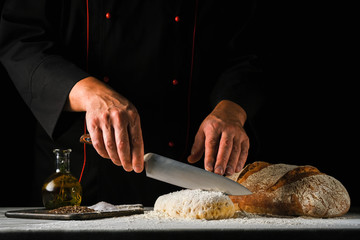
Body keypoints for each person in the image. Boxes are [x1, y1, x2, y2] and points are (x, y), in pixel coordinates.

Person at [0, 0, 262, 206]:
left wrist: (232, 108)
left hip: (191, 169)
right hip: (83, 174)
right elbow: (22, 39)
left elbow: (251, 47)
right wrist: (88, 92)